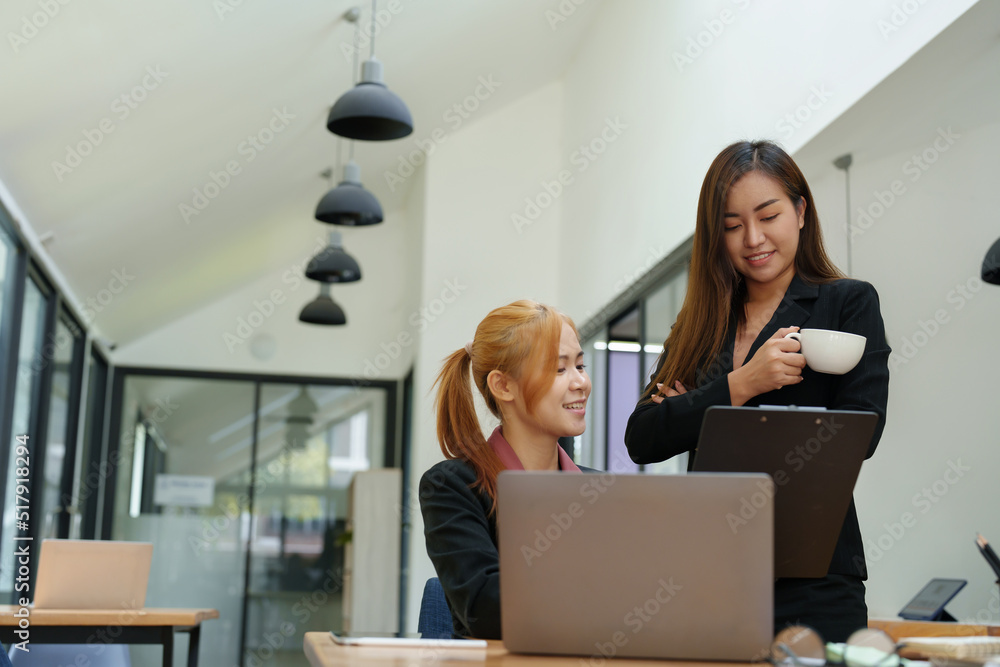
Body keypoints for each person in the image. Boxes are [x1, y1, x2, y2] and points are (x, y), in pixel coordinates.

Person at [625, 140, 890, 642]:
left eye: (768, 215)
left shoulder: (847, 303)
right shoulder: (700, 323)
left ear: (801, 211)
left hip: (816, 572)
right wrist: (743, 384)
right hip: (711, 572)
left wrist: (697, 410)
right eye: (731, 226)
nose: (752, 238)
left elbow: (861, 434)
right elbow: (643, 436)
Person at [419, 300, 592, 639]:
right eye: (559, 370)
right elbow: (488, 609)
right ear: (503, 386)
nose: (580, 383)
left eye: (581, 366)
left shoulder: (602, 489)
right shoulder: (454, 486)